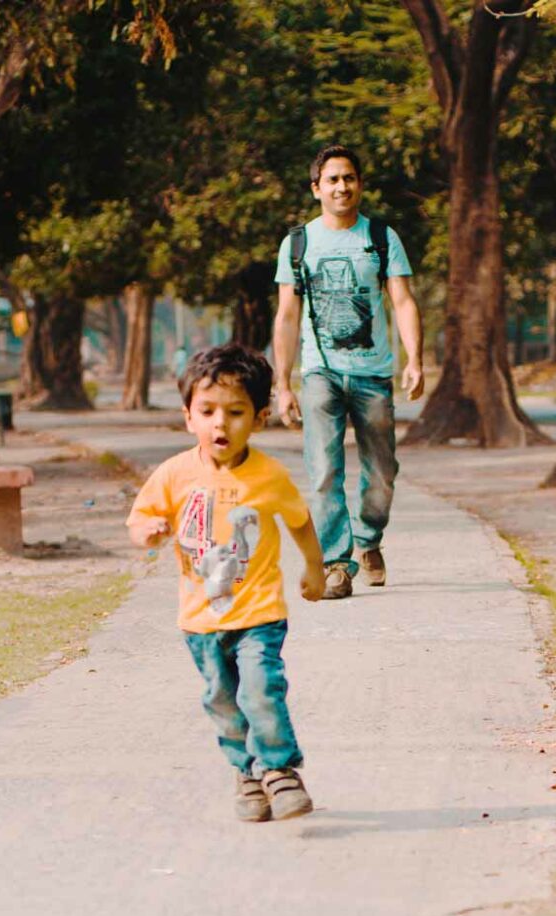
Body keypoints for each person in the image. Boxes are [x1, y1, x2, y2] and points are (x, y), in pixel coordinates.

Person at [127, 344, 325, 823]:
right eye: (208, 411)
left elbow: (299, 522)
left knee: (259, 690)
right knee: (222, 701)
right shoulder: (174, 474)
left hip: (260, 612)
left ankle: (279, 770)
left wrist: (315, 568)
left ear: (258, 419)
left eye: (235, 413)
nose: (221, 424)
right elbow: (140, 520)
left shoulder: (269, 475)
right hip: (200, 620)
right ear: (188, 416)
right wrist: (149, 532)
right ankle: (248, 774)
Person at [272, 143, 425, 600]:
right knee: (323, 471)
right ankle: (337, 564)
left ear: (359, 184)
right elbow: (286, 315)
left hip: (373, 374)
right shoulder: (298, 243)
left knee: (382, 473)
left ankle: (369, 539)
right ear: (316, 188)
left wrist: (415, 359)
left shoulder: (380, 236)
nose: (342, 186)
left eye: (349, 178)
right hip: (319, 372)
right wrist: (283, 382)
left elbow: (402, 300)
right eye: (333, 179)